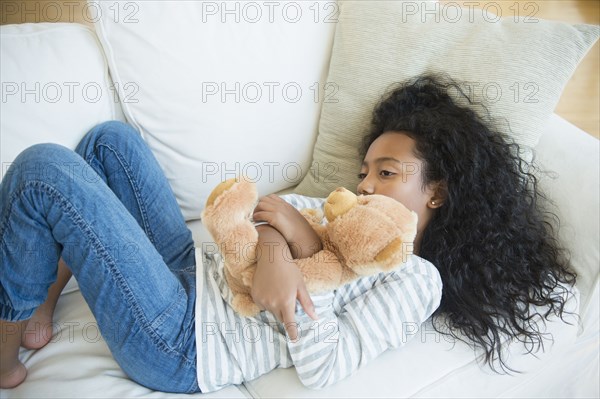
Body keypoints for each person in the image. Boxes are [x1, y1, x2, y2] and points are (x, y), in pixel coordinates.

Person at [0, 74, 575, 392]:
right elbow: (268, 209)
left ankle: (4, 356)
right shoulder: (340, 209)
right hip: (193, 268)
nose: (368, 184)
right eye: (365, 171)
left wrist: (294, 290)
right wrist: (281, 245)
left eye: (388, 173)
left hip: (182, 340)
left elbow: (326, 368)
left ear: (437, 192)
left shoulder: (415, 278)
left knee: (44, 170)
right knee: (109, 141)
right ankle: (43, 300)